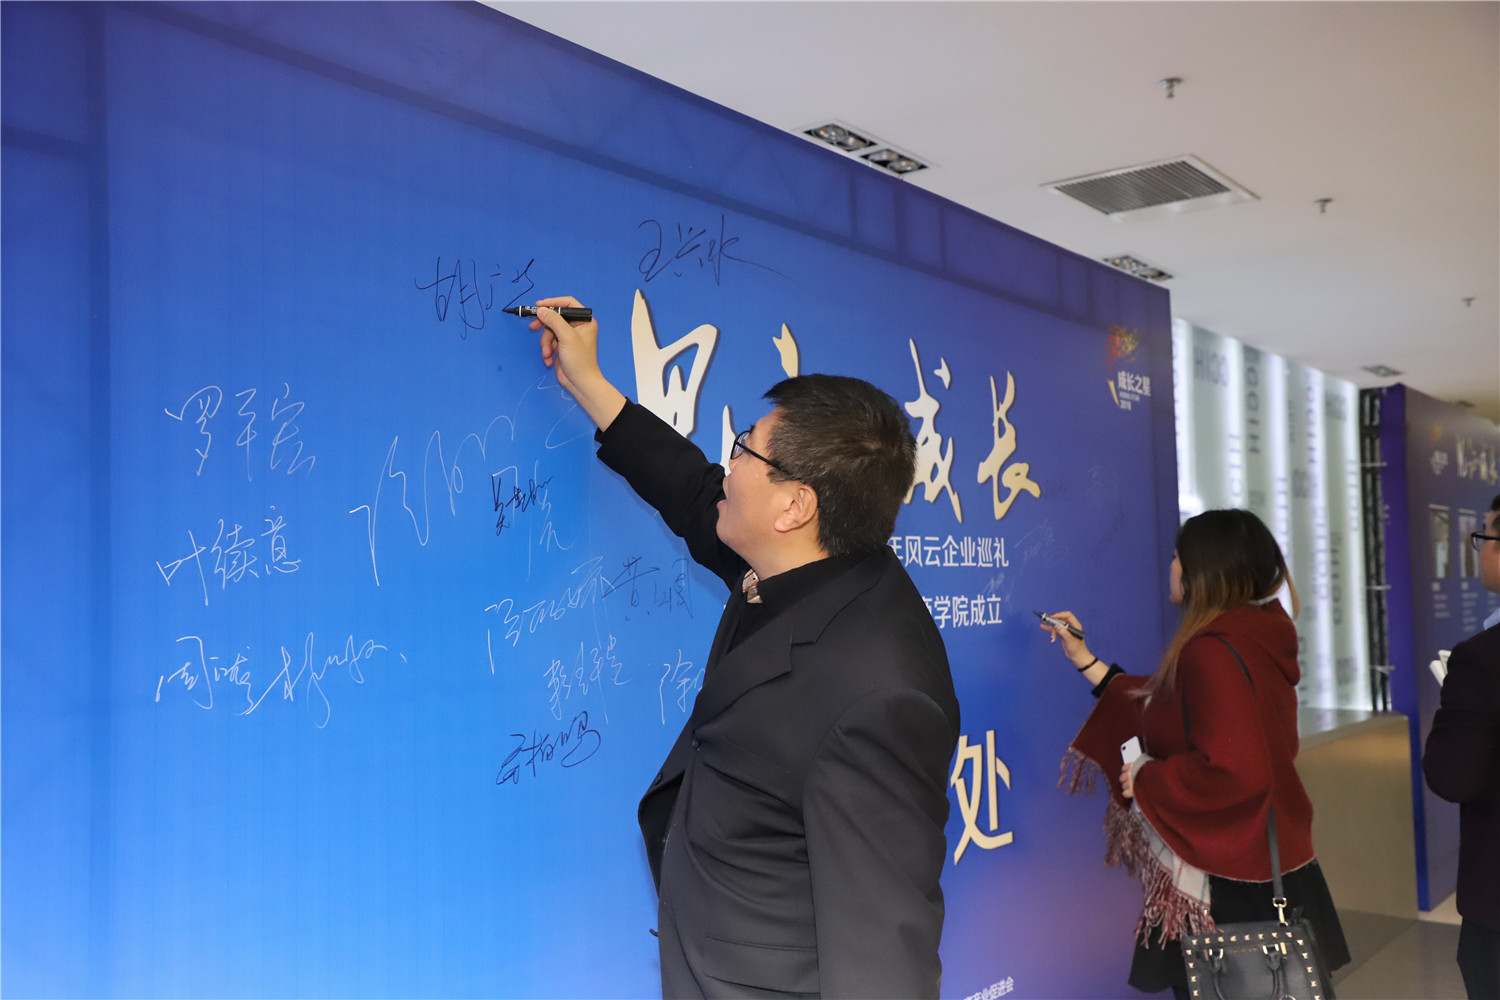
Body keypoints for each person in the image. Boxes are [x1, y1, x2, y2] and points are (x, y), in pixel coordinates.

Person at [526, 296, 960, 999]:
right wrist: (590, 383)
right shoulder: (814, 560)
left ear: (795, 505)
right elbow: (695, 495)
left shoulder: (881, 694)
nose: (727, 466)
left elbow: (885, 955)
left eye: (743, 449)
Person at [1044, 508, 1349, 998]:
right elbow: (1165, 704)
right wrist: (1086, 660)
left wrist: (1146, 777)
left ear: (1201, 570)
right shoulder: (1256, 634)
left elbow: (1235, 770)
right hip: (1271, 862)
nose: (1170, 566)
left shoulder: (1211, 651)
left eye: (1176, 557)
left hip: (1231, 882)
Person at [1424, 494, 1500, 1000]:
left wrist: (1455, 711)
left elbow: (1452, 776)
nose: (1481, 550)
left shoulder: (1481, 659)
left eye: (1486, 536)